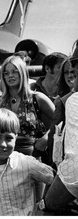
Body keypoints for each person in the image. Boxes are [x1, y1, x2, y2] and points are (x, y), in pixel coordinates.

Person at [39, 40, 78, 214]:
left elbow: (74, 166)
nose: (73, 71)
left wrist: (47, 203)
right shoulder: (66, 101)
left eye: (75, 64)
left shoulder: (72, 101)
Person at [0, 55, 55, 160]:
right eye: (6, 73)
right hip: (4, 157)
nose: (10, 76)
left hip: (32, 157)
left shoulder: (37, 98)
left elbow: (59, 120)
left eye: (14, 71)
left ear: (22, 73)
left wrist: (46, 138)